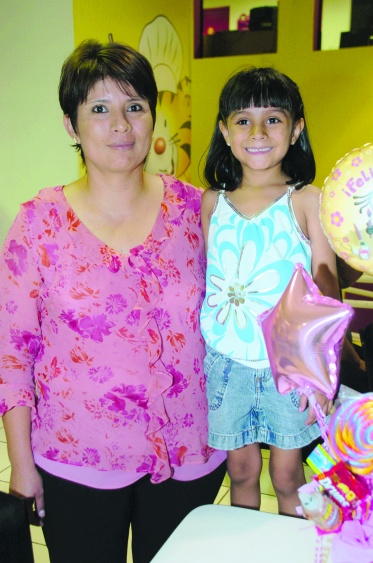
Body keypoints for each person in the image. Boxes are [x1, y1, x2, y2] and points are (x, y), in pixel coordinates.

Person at [0, 39, 226, 563]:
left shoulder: (198, 210)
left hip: (191, 451)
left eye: (134, 106)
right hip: (76, 460)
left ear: (153, 115)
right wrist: (20, 461)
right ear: (71, 125)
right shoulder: (38, 223)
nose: (120, 125)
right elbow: (13, 353)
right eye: (99, 109)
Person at [200, 67, 345, 516]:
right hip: (226, 361)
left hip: (290, 363)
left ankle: (292, 543)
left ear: (296, 128)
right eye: (243, 120)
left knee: (286, 475)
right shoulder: (212, 202)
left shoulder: (307, 199)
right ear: (225, 131)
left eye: (273, 119)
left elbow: (327, 284)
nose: (258, 132)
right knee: (240, 471)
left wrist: (323, 367)